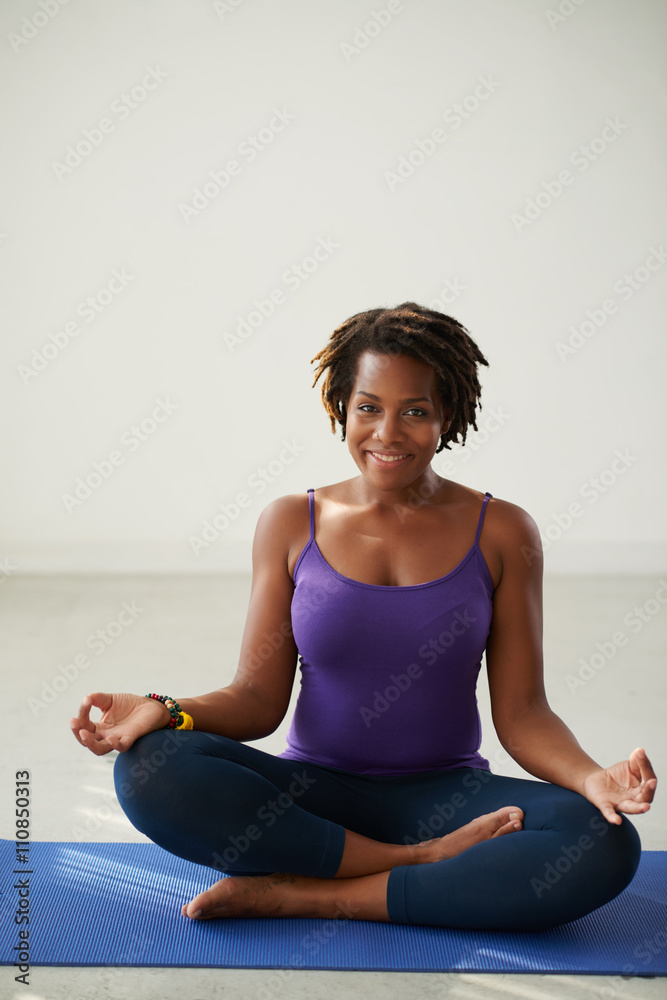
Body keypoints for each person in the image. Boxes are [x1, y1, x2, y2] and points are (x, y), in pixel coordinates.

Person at [70, 302, 657, 930]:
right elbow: (255, 699)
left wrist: (593, 778)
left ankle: (303, 894)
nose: (388, 433)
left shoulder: (504, 532)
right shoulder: (290, 523)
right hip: (310, 798)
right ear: (341, 409)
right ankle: (415, 866)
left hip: (448, 797)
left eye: (415, 412)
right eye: (369, 408)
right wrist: (168, 708)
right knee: (150, 768)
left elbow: (522, 714)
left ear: (446, 416)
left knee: (603, 841)